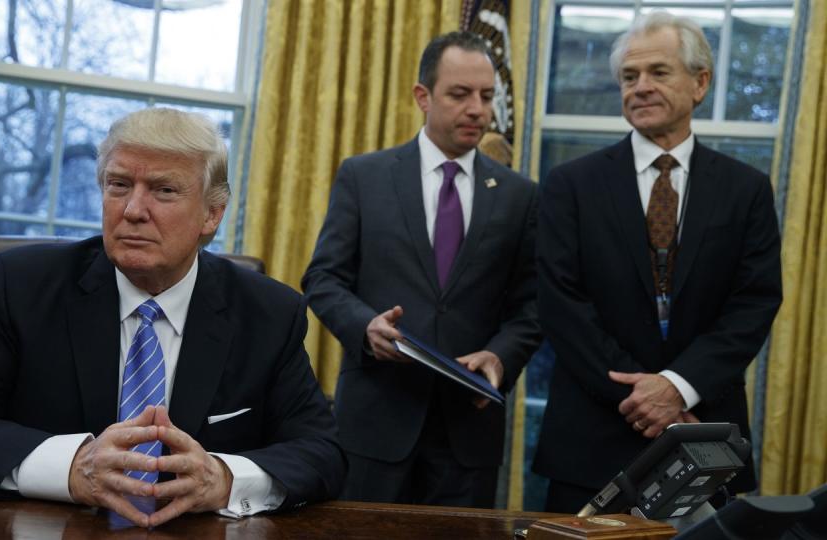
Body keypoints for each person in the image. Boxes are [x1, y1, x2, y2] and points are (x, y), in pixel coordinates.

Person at [0, 108, 346, 528]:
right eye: (118, 185)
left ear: (212, 214)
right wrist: (71, 467)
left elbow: (322, 452)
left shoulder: (268, 313)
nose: (133, 209)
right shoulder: (26, 286)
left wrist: (225, 479)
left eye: (164, 190)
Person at [534, 11, 782, 513]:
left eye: (658, 72)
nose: (640, 87)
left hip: (701, 436)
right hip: (591, 440)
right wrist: (648, 400)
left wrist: (677, 387)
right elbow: (561, 304)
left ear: (700, 83)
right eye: (629, 76)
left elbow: (753, 304)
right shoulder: (570, 185)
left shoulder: (746, 190)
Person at [302, 31, 540, 508]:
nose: (477, 109)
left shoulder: (520, 195)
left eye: (487, 96)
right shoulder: (364, 176)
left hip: (468, 433)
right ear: (422, 96)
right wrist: (364, 326)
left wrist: (500, 357)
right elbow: (323, 279)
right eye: (460, 94)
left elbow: (532, 305)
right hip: (375, 423)